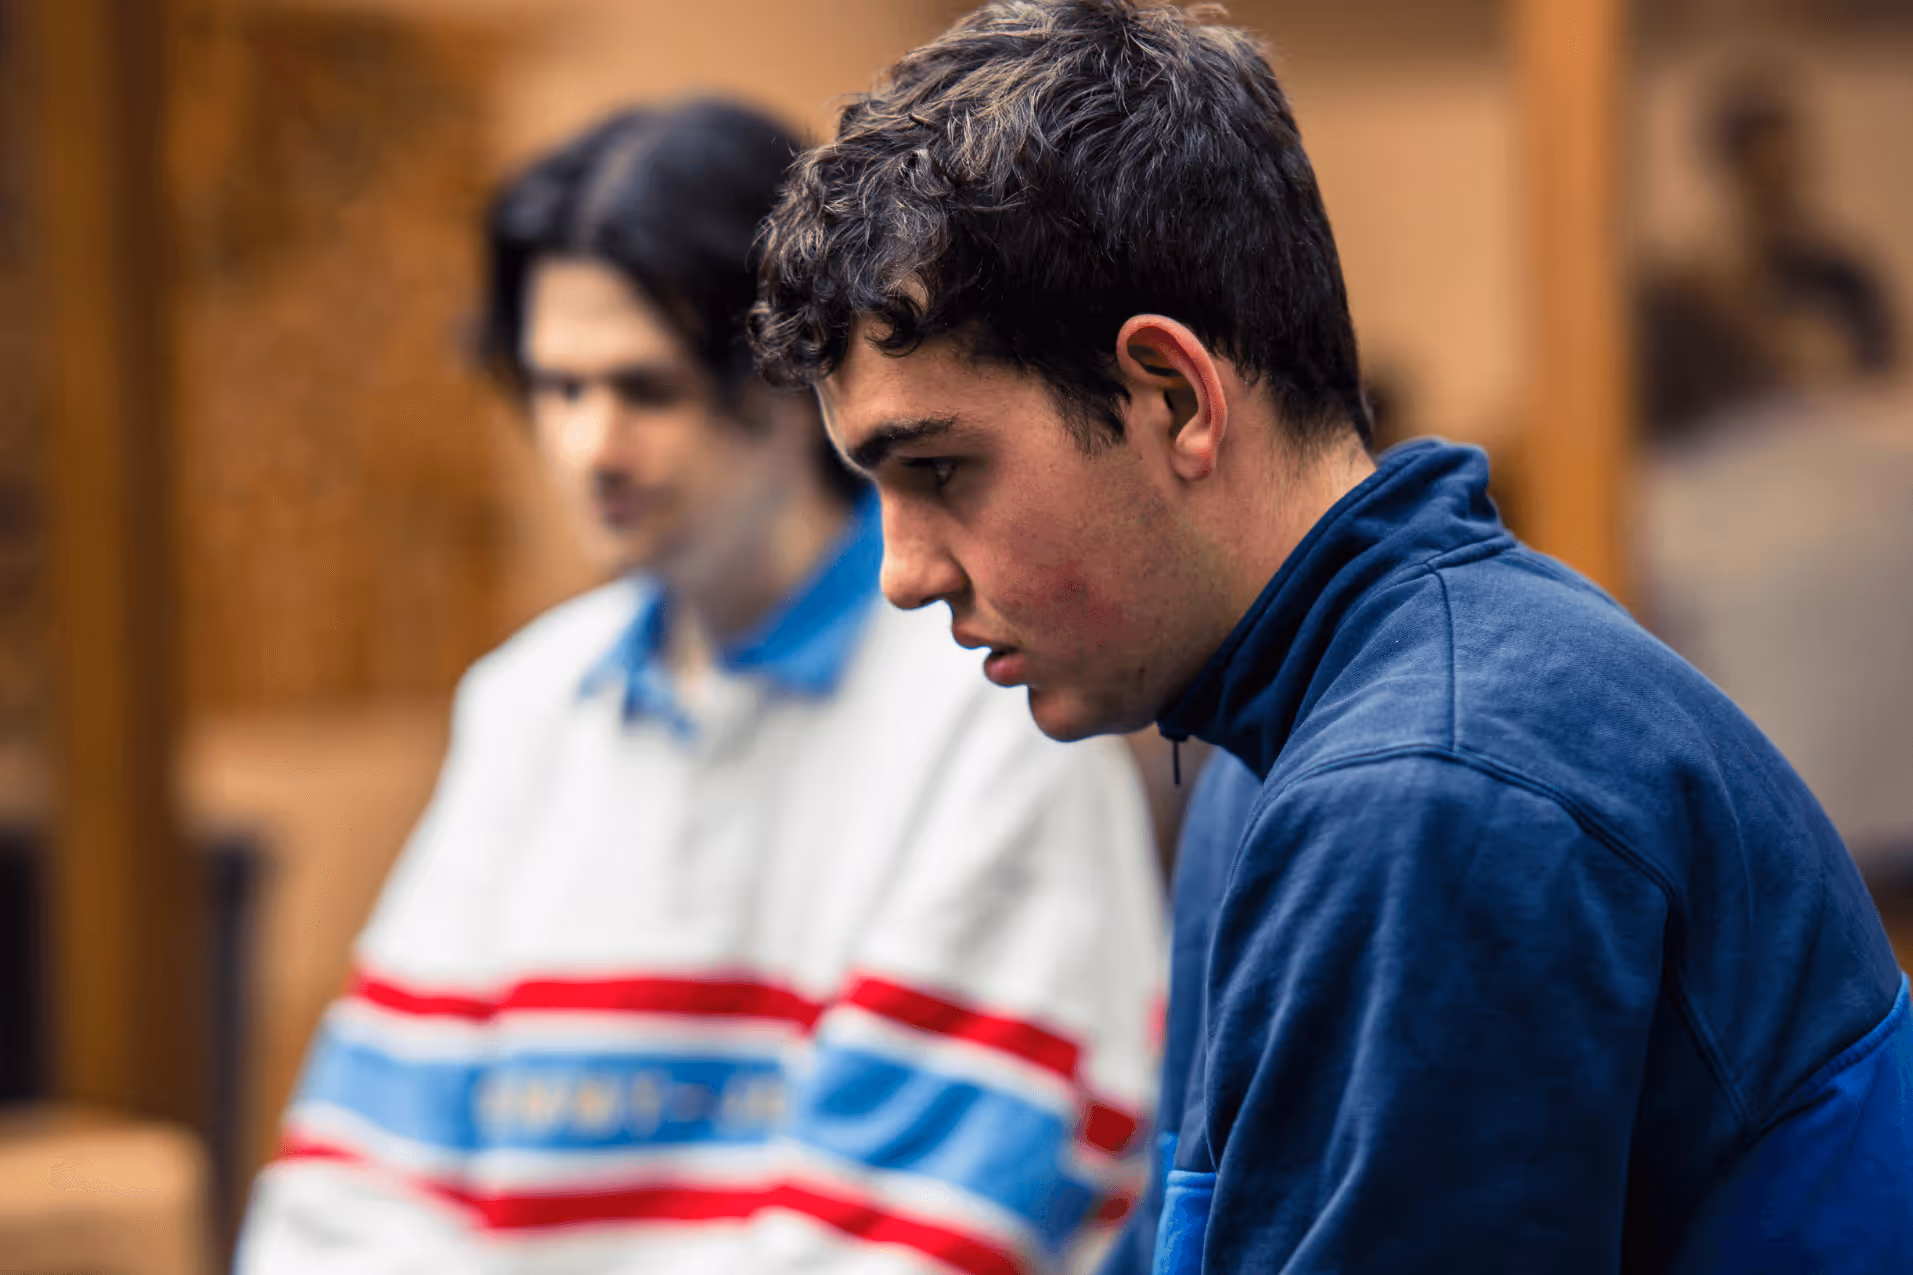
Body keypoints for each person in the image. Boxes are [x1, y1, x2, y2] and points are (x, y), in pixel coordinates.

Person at [747, 3, 1913, 1272]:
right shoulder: (1266, 740)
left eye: (939, 467)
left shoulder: (1429, 792)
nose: (903, 574)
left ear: (1174, 397)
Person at [237, 98, 1164, 1275]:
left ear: (796, 375)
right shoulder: (526, 704)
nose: (590, 448)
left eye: (645, 389)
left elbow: (914, 1236)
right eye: (555, 389)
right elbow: (357, 1190)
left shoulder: (989, 705)